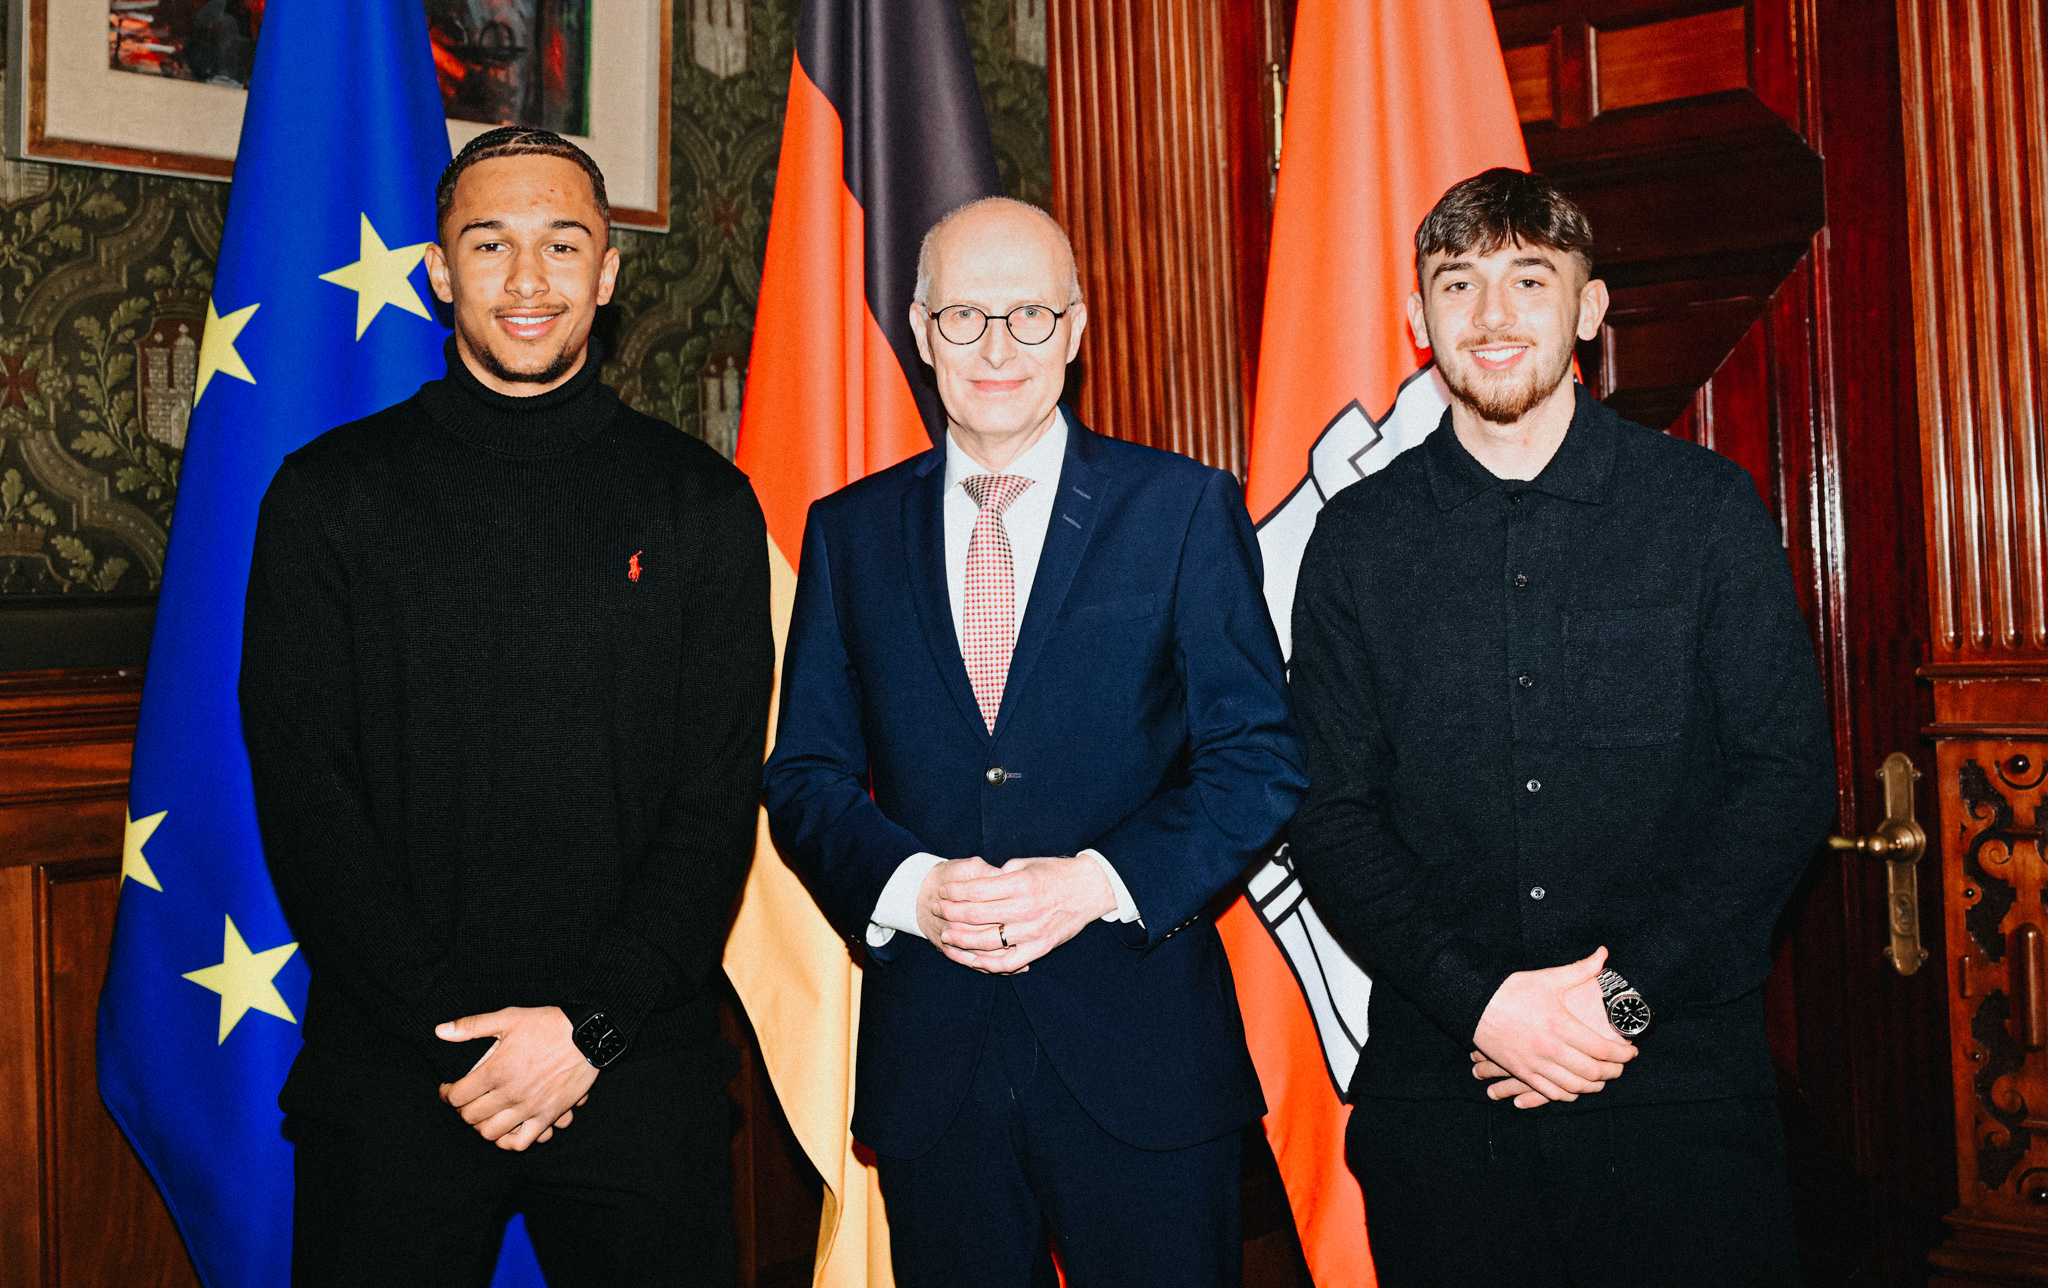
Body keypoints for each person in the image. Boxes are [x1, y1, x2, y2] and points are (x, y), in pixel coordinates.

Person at [240, 127, 773, 1287]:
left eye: (561, 243)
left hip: (637, 1074)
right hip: (394, 1077)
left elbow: (713, 799)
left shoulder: (702, 505)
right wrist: (469, 1040)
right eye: (491, 244)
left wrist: (586, 1033)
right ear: (439, 268)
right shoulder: (327, 497)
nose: (527, 281)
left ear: (609, 273)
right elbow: (303, 792)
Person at [1287, 168, 1837, 1287]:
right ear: (1416, 318)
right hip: (1441, 1104)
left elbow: (1782, 787)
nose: (1491, 318)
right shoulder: (1352, 543)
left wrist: (1616, 1000)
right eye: (1458, 283)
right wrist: (1482, 1005)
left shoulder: (1705, 511)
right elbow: (1328, 815)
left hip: (1678, 1097)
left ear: (1587, 310)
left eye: (1527, 280)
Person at [763, 196, 1305, 1288]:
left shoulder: (1183, 509)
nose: (996, 348)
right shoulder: (846, 532)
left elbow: (1257, 760)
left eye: (1027, 315)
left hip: (1141, 1054)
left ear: (1076, 326)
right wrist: (912, 888)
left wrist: (1098, 882)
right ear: (918, 331)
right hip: (935, 1069)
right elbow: (805, 775)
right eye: (964, 317)